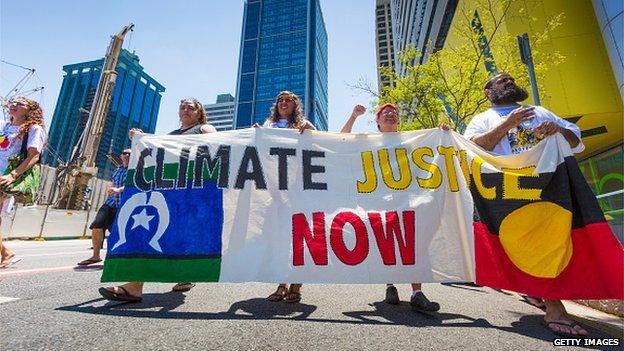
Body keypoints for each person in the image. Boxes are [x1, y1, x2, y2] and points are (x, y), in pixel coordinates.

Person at [463, 72, 588, 338]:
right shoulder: (481, 120)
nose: (509, 82)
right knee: (520, 246)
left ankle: (553, 306)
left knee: (550, 244)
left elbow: (576, 142)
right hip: (508, 191)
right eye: (501, 81)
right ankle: (542, 295)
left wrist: (559, 130)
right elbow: (472, 147)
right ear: (488, 91)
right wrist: (505, 125)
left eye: (510, 79)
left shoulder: (540, 112)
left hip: (548, 185)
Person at [99, 98, 216, 302]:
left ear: (199, 112)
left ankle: (186, 273)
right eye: (182, 107)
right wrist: (141, 139)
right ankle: (135, 286)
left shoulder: (204, 129)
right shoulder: (171, 135)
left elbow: (218, 146)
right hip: (169, 190)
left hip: (193, 192)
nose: (186, 110)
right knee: (152, 232)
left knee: (182, 234)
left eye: (191, 107)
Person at [340, 103, 440, 313]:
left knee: (412, 244)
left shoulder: (412, 141)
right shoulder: (369, 141)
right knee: (386, 243)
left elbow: (435, 152)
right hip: (378, 201)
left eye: (394, 113)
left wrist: (442, 134)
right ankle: (390, 286)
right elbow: (342, 139)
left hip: (407, 200)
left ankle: (417, 293)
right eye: (385, 113)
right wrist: (353, 115)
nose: (390, 115)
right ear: (377, 121)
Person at [263, 91, 315, 304]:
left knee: (298, 236)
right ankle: (282, 283)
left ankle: (296, 283)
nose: (283, 103)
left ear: (295, 106)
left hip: (297, 188)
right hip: (275, 188)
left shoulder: (302, 123)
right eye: (280, 100)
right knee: (279, 236)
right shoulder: (268, 124)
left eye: (288, 100)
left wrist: (310, 130)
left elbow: (319, 142)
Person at [0, 97, 46, 268]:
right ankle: (6, 252)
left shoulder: (34, 129)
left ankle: (6, 253)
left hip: (6, 176)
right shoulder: (3, 125)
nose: (14, 105)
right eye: (13, 102)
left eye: (21, 104)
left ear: (30, 110)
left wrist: (12, 175)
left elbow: (34, 155)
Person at [77, 149, 131, 266]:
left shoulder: (135, 170)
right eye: (124, 153)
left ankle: (118, 258)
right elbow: (113, 182)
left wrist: (118, 189)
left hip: (124, 205)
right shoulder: (118, 169)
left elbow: (131, 185)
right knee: (97, 226)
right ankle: (96, 256)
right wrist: (112, 188)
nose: (126, 155)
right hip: (110, 203)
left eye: (129, 154)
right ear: (121, 156)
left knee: (118, 232)